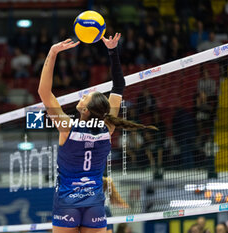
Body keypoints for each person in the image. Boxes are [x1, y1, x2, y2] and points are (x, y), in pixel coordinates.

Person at [38, 34, 157, 233]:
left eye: (86, 96)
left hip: (67, 201)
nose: (83, 94)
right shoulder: (107, 128)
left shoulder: (67, 127)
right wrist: (112, 52)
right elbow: (118, 86)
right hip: (94, 203)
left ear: (85, 110)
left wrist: (52, 52)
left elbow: (44, 92)